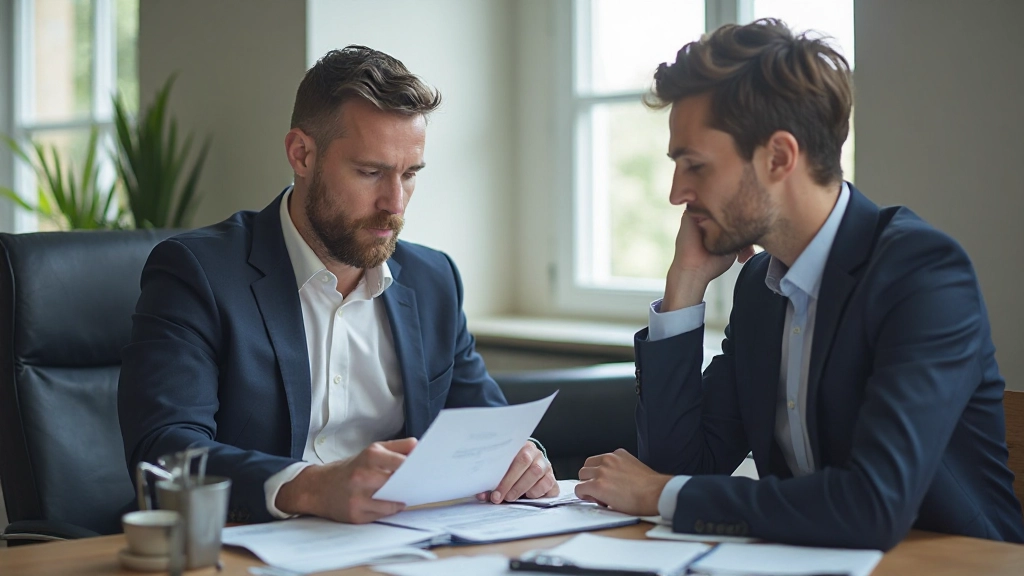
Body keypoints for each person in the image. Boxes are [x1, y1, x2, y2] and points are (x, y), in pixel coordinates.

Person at [574, 19, 1024, 550]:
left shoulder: (921, 275)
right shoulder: (760, 288)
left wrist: (661, 495)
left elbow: (873, 505)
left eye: (693, 165)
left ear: (779, 158)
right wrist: (686, 285)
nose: (676, 193)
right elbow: (681, 465)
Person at [119, 46, 557, 526]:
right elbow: (165, 453)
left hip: (399, 549)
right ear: (301, 154)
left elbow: (484, 428)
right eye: (370, 172)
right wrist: (307, 485)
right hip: (251, 549)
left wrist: (522, 457)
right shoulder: (198, 273)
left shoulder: (434, 282)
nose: (395, 203)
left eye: (410, 175)